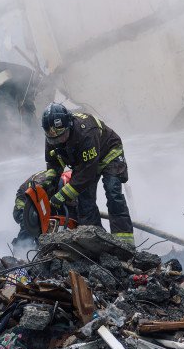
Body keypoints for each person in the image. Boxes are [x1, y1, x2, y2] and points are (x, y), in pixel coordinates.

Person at [41, 103, 134, 246]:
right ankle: (96, 239)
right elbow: (53, 162)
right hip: (85, 161)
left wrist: (62, 195)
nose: (57, 141)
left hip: (108, 154)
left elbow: (87, 173)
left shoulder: (85, 132)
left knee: (112, 192)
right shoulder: (53, 135)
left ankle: (125, 244)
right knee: (85, 201)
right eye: (53, 139)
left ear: (69, 125)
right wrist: (49, 181)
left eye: (61, 137)